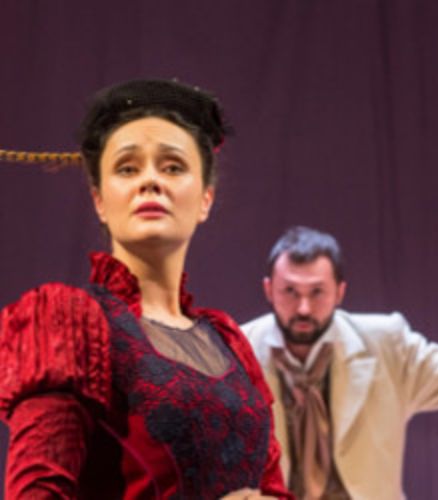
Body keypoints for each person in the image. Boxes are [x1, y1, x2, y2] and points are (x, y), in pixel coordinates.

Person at [0, 79, 292, 499]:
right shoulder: (70, 324)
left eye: (172, 167)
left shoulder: (228, 341)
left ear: (206, 198)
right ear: (99, 200)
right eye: (127, 168)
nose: (150, 181)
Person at [241, 226, 438, 500]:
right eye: (290, 291)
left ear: (339, 292)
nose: (303, 308)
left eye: (317, 292)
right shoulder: (235, 352)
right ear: (269, 289)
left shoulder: (386, 345)